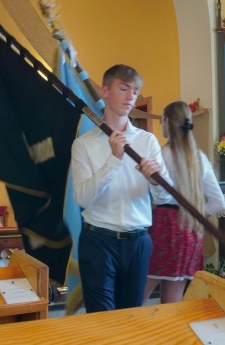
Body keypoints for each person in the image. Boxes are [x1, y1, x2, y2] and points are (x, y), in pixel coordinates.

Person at [71, 64, 172, 313]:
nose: (130, 97)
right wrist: (114, 159)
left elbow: (164, 196)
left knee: (131, 317)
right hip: (98, 241)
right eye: (124, 88)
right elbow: (82, 198)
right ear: (105, 91)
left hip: (138, 241)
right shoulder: (84, 144)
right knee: (102, 319)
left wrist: (155, 181)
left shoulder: (147, 141)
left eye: (135, 92)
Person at [142, 101, 225, 304]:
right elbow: (218, 203)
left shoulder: (160, 155)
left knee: (136, 298)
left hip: (162, 227)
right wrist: (192, 215)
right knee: (172, 303)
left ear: (166, 121)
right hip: (189, 231)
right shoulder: (200, 158)